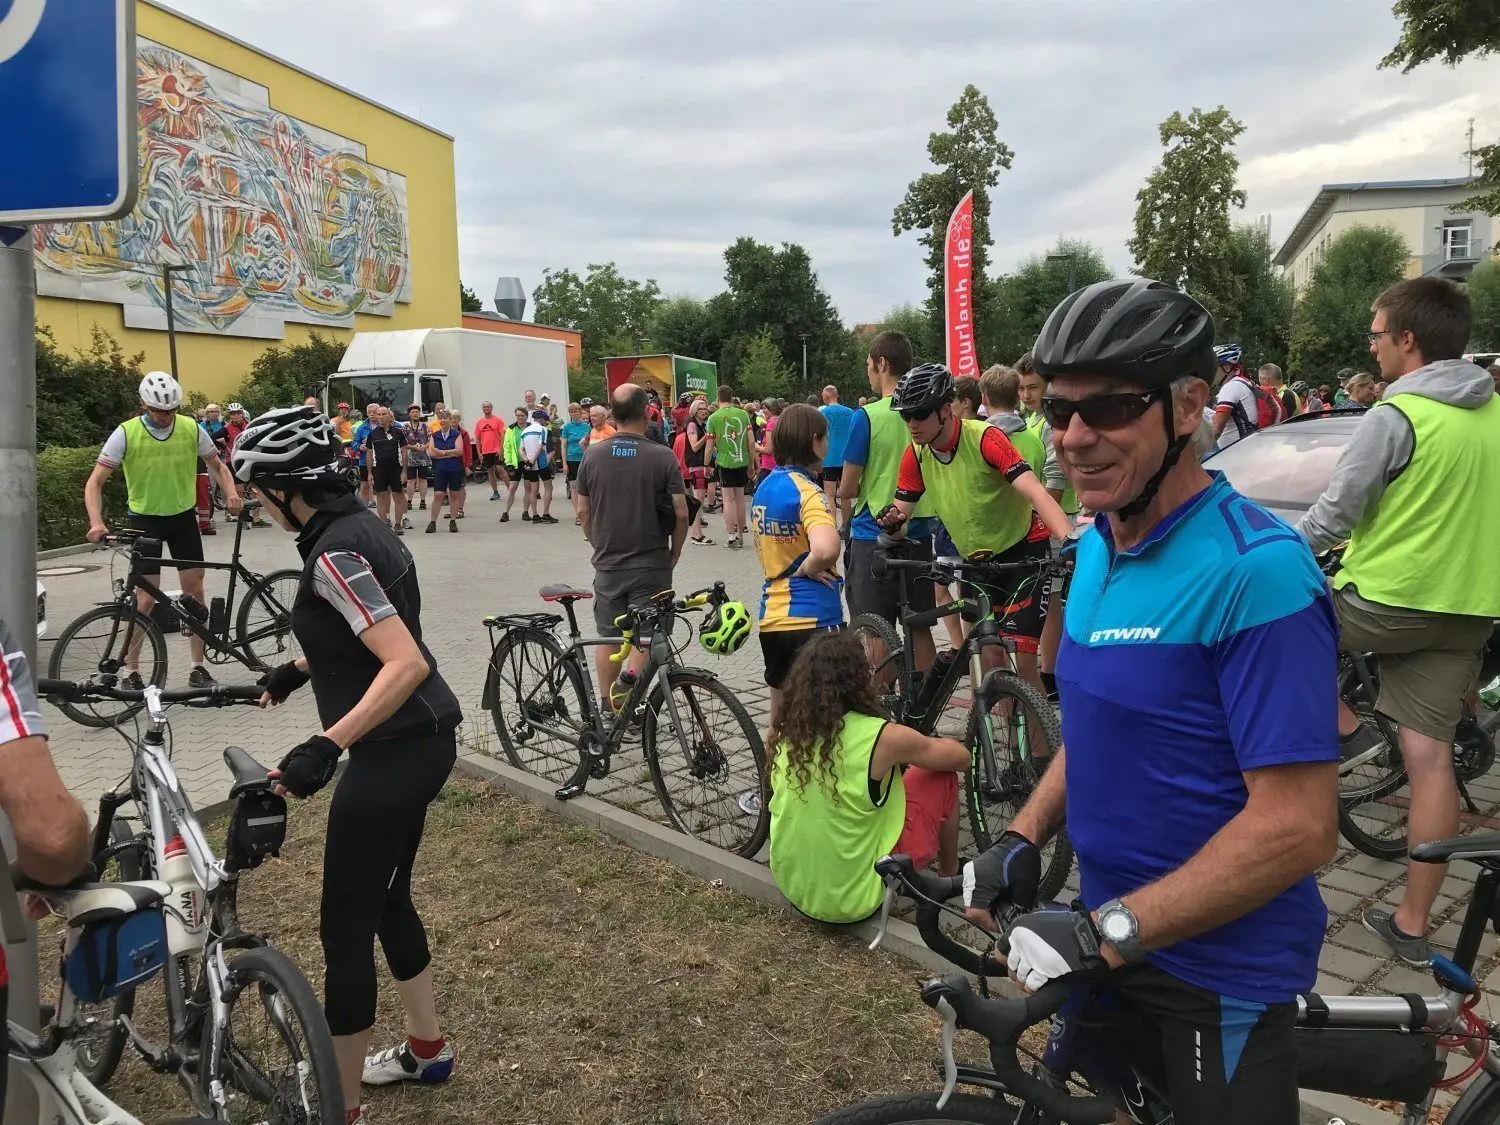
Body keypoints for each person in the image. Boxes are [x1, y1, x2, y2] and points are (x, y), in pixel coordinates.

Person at [959, 278, 1339, 1125]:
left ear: (1188, 404)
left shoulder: (1258, 571)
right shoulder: (1097, 546)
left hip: (1218, 972)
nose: (1075, 438)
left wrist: (1107, 932)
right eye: (1058, 411)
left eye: (1112, 409)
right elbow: (1100, 727)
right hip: (1114, 929)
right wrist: (1024, 833)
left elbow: (1300, 824)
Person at [228, 407, 461, 1122]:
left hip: (391, 754)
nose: (253, 504)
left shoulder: (332, 551)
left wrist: (327, 743)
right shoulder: (359, 525)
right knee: (389, 897)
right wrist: (300, 667)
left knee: (344, 932)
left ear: (283, 490)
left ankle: (342, 1107)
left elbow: (404, 658)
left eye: (256, 491)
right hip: (424, 742)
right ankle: (428, 1049)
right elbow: (369, 624)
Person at [1297, 276, 1500, 965]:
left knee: (1270, 629)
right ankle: (1412, 926)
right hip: (1468, 609)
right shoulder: (1495, 413)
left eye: (1377, 334)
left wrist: (1270, 551)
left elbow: (1335, 515)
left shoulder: (1395, 415)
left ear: (1408, 340)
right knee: (1429, 760)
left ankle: (1347, 730)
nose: (1373, 347)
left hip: (1382, 603)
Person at [877, 364, 1072, 708]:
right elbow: (902, 516)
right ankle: (1007, 748)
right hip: (977, 564)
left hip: (1023, 554)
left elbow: (1036, 493)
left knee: (1023, 664)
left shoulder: (985, 438)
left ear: (945, 409)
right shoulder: (917, 454)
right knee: (990, 659)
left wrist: (1070, 539)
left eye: (919, 413)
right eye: (906, 415)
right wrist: (893, 523)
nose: (912, 423)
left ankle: (1040, 759)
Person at [767, 630, 970, 923]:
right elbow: (961, 758)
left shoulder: (786, 730)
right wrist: (919, 746)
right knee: (941, 775)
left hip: (796, 888)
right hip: (857, 900)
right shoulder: (881, 736)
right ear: (860, 678)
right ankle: (949, 874)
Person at [85, 372, 242, 688]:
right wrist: (96, 522)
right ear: (144, 404)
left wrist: (231, 492)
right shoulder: (126, 433)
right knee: (144, 600)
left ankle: (198, 668)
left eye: (170, 410)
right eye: (158, 410)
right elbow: (95, 482)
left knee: (194, 593)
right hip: (145, 521)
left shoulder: (189, 428)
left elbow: (219, 466)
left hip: (183, 519)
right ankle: (132, 671)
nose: (165, 416)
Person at [574, 385, 688, 699]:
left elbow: (582, 509)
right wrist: (674, 553)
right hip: (652, 563)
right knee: (649, 636)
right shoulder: (662, 456)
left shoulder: (593, 454)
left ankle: (609, 711)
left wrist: (597, 543)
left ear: (612, 414)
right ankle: (629, 699)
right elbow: (681, 512)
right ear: (646, 412)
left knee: (608, 637)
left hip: (609, 563)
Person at [838, 331, 939, 678]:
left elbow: (848, 486)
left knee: (876, 628)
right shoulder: (928, 413)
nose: (868, 372)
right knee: (920, 625)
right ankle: (926, 706)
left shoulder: (866, 416)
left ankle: (882, 708)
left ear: (882, 364)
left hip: (873, 534)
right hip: (922, 531)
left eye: (869, 365)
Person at [751, 404, 843, 724]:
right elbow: (827, 548)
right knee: (825, 724)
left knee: (780, 721)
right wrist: (807, 568)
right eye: (826, 439)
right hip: (813, 619)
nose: (829, 446)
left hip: (772, 619)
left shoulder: (764, 488)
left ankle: (772, 774)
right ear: (814, 441)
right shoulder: (809, 491)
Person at [705, 385, 752, 549]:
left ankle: (731, 537)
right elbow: (750, 442)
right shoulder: (744, 414)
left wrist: (706, 464)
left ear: (718, 398)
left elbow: (709, 446)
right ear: (731, 398)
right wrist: (753, 462)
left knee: (727, 499)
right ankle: (740, 534)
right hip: (742, 460)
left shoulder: (713, 418)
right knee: (740, 498)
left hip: (725, 462)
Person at [1209, 344, 1281, 447]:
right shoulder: (1247, 383)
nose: (1210, 372)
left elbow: (1215, 431)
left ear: (1227, 367)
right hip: (1249, 448)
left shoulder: (1230, 387)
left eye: (1213, 367)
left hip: (1234, 453)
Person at [366, 406, 407, 537]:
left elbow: (404, 451)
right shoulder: (372, 434)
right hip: (379, 469)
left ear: (390, 417)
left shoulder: (398, 432)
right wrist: (369, 473)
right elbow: (369, 453)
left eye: (384, 414)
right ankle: (384, 525)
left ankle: (398, 524)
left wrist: (404, 471)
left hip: (396, 468)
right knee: (381, 496)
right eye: (379, 414)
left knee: (398, 495)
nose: (381, 417)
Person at [818, 385, 855, 527]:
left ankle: (832, 526)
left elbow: (820, 437)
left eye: (823, 396)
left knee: (829, 496)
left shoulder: (823, 413)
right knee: (846, 496)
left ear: (827, 396)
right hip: (846, 459)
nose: (822, 398)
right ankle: (845, 526)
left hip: (829, 458)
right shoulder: (850, 412)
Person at [681, 397, 716, 543]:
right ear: (694, 410)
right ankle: (696, 534)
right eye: (700, 408)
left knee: (699, 499)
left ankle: (696, 532)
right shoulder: (692, 425)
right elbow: (694, 446)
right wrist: (707, 437)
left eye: (705, 408)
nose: (704, 410)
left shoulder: (702, 425)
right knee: (698, 500)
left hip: (702, 464)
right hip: (696, 464)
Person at [426, 411, 464, 534]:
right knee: (438, 495)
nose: (442, 421)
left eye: (445, 418)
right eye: (440, 419)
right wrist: (449, 454)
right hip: (440, 469)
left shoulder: (457, 434)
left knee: (454, 494)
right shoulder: (435, 435)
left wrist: (442, 453)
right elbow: (432, 453)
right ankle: (432, 522)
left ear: (449, 419)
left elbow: (459, 451)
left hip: (455, 468)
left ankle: (453, 521)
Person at [519, 408, 557, 524]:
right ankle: (546, 514)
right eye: (545, 420)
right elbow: (541, 446)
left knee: (533, 489)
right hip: (541, 462)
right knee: (548, 487)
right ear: (541, 419)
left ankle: (535, 515)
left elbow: (520, 449)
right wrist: (534, 460)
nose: (546, 422)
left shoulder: (524, 431)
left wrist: (527, 461)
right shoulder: (543, 429)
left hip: (529, 464)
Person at [473, 401, 507, 501]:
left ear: (492, 408)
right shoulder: (479, 422)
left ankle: (511, 489)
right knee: (490, 471)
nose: (486, 408)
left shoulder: (498, 420)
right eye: (484, 407)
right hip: (486, 451)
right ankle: (495, 492)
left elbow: (503, 436)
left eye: (488, 407)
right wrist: (479, 453)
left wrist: (501, 450)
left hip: (497, 450)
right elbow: (478, 439)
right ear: (482, 409)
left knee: (500, 469)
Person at [402, 404, 430, 519]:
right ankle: (409, 501)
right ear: (409, 414)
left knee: (423, 479)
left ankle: (423, 501)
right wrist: (413, 447)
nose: (415, 414)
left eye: (417, 412)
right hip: (410, 457)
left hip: (423, 456)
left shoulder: (425, 426)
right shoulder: (405, 427)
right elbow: (403, 442)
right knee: (411, 480)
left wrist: (425, 446)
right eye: (413, 412)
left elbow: (429, 439)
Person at [497, 408, 525, 522]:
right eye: (518, 415)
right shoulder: (511, 429)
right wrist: (508, 463)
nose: (520, 417)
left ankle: (526, 511)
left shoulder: (530, 427)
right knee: (512, 487)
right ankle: (506, 512)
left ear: (526, 416)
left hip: (528, 460)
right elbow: (507, 446)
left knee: (528, 487)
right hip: (516, 462)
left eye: (522, 415)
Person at [560, 402, 590, 507]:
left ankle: (585, 509)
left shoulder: (587, 427)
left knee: (586, 486)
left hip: (585, 459)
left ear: (580, 412)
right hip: (572, 459)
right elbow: (563, 446)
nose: (574, 414)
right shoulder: (566, 427)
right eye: (571, 412)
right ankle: (578, 514)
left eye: (576, 411)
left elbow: (590, 443)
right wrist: (564, 464)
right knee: (574, 487)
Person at [349, 408, 375, 509]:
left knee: (382, 488)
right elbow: (354, 442)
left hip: (381, 460)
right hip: (364, 460)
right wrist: (359, 446)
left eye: (374, 412)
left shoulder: (383, 426)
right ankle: (364, 509)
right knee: (365, 484)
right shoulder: (361, 427)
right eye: (370, 412)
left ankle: (386, 516)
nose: (372, 414)